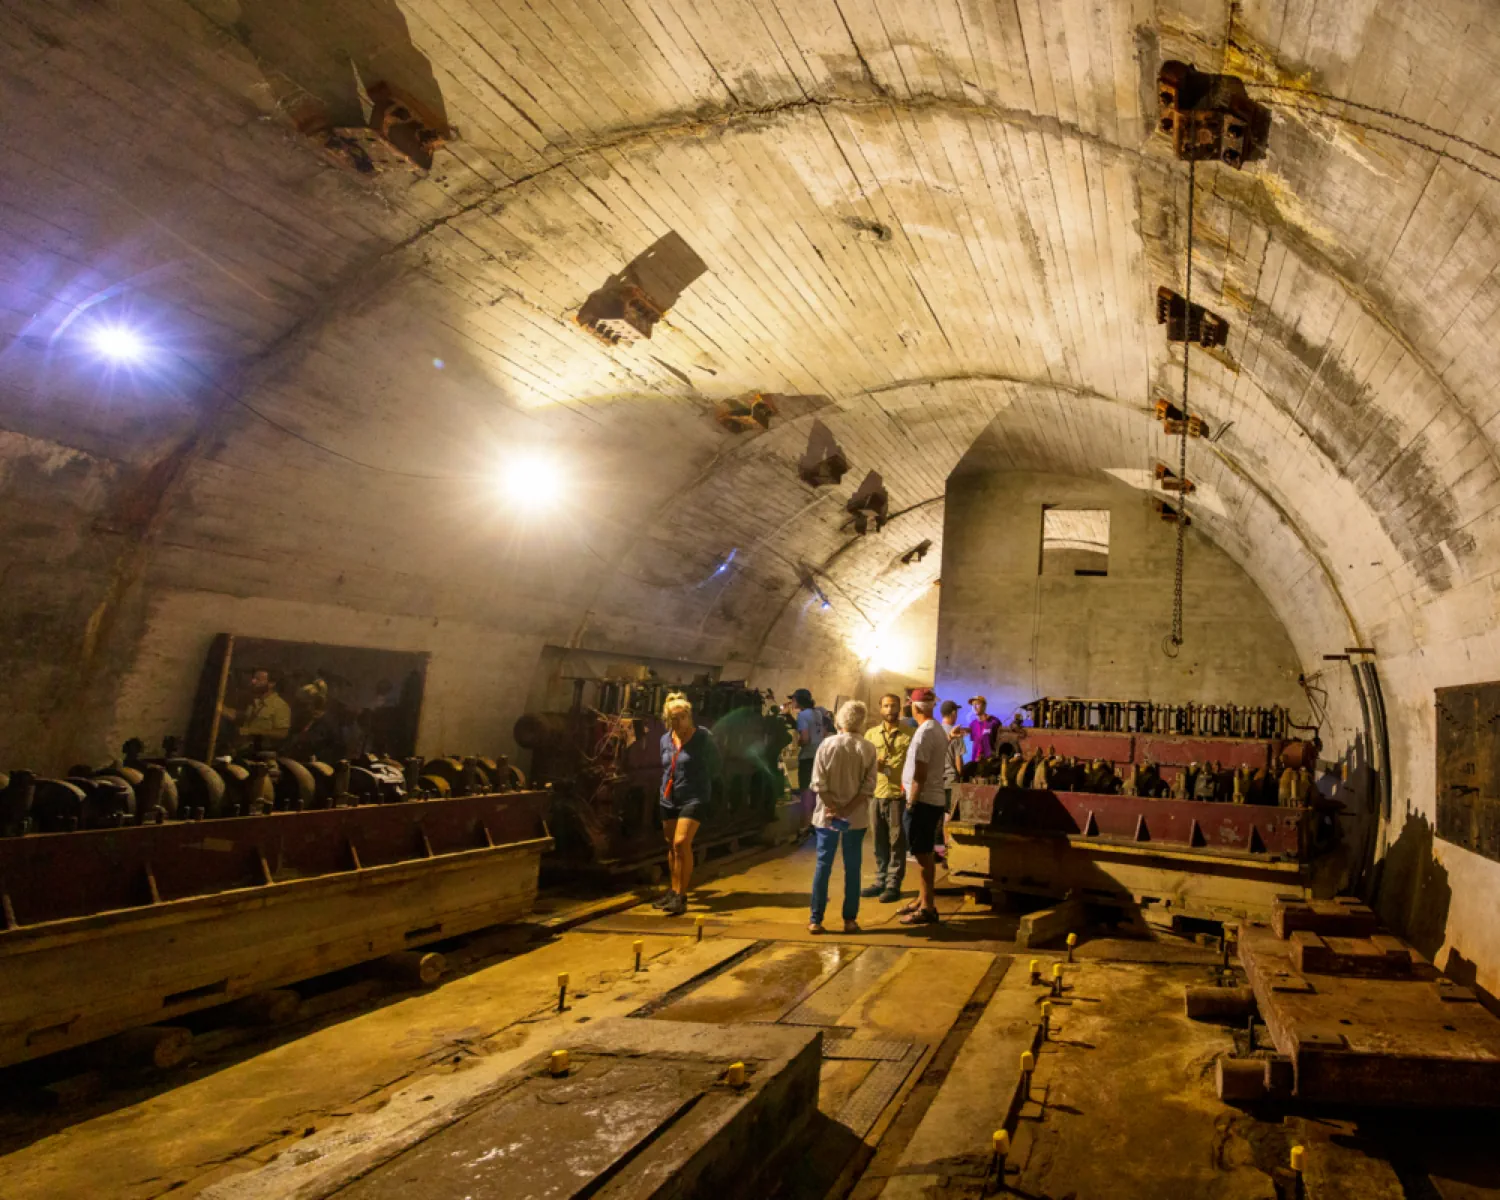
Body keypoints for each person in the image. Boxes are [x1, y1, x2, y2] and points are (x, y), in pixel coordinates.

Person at [808, 700, 878, 934]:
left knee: (823, 865)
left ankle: (816, 919)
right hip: (855, 818)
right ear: (862, 721)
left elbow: (818, 783)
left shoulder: (827, 745)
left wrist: (833, 808)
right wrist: (846, 810)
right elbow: (868, 787)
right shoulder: (868, 748)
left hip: (827, 816)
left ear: (840, 720)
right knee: (853, 867)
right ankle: (850, 919)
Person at [656, 692, 719, 917]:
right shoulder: (665, 740)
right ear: (667, 719)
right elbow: (665, 766)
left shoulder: (702, 737)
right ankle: (673, 890)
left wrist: (703, 782)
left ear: (689, 717)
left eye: (682, 717)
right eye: (674, 718)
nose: (678, 722)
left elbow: (716, 764)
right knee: (671, 846)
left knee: (682, 843)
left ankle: (682, 896)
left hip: (694, 796)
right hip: (669, 796)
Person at [899, 687, 949, 925]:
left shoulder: (924, 734)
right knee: (925, 851)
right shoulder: (936, 728)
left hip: (924, 801)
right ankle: (921, 899)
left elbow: (920, 773)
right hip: (933, 799)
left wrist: (912, 801)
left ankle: (928, 907)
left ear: (914, 706)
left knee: (922, 855)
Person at [862, 693, 911, 903]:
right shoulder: (871, 735)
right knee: (878, 842)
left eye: (893, 706)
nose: (890, 710)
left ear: (900, 708)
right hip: (876, 793)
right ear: (880, 708)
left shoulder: (910, 734)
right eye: (886, 706)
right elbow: (863, 763)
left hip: (898, 796)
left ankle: (893, 884)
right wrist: (874, 765)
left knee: (897, 842)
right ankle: (880, 880)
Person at [221, 667, 291, 749]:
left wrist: (252, 731)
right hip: (243, 748)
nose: (253, 681)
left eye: (258, 679)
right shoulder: (256, 701)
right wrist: (221, 708)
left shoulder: (280, 705)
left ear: (271, 684)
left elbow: (282, 733)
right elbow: (243, 716)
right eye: (253, 678)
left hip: (261, 751)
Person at [789, 688, 829, 797]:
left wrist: (798, 742)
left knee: (806, 789)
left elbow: (805, 739)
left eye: (793, 700)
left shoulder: (802, 715)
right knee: (817, 788)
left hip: (807, 757)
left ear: (799, 701)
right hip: (819, 755)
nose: (792, 702)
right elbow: (824, 733)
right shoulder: (818, 713)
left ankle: (806, 808)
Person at [940, 698, 966, 818]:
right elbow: (958, 761)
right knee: (949, 815)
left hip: (936, 781)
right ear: (954, 713)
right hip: (950, 782)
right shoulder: (956, 733)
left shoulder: (935, 731)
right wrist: (960, 778)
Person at [966, 696, 1003, 763]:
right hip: (976, 762)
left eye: (977, 704)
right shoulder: (972, 724)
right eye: (972, 705)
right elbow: (976, 743)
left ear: (984, 706)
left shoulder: (994, 722)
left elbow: (1000, 742)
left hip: (990, 762)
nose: (974, 707)